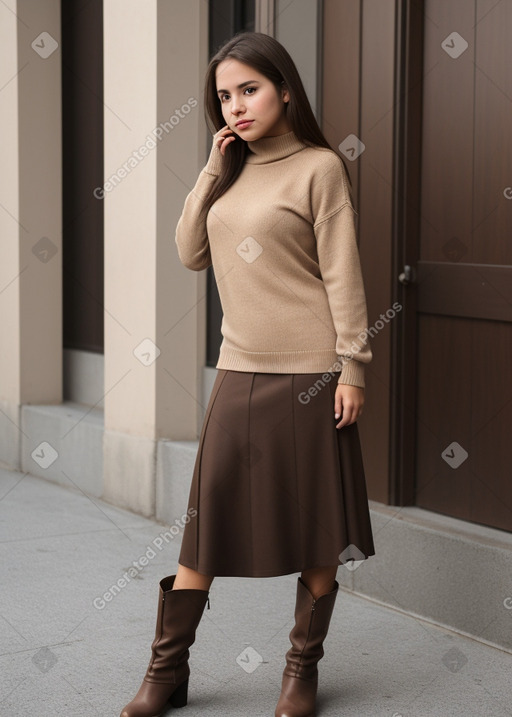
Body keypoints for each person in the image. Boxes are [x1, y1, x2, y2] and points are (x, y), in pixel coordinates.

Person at [120, 30, 375, 717]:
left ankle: (300, 672)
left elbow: (344, 273)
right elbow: (188, 251)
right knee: (204, 531)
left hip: (315, 374)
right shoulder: (229, 171)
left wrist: (353, 366)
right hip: (239, 370)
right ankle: (166, 672)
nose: (234, 105)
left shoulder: (320, 167)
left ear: (286, 88)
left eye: (249, 89)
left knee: (318, 532)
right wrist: (210, 168)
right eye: (224, 95)